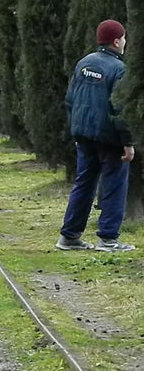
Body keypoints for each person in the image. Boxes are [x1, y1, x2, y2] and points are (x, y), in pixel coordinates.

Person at [56, 19, 136, 252]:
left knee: (84, 183)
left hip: (84, 135)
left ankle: (69, 236)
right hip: (109, 139)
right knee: (114, 184)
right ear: (116, 40)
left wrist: (77, 127)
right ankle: (109, 238)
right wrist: (127, 142)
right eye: (124, 38)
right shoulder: (119, 69)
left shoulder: (83, 63)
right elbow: (120, 109)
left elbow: (70, 99)